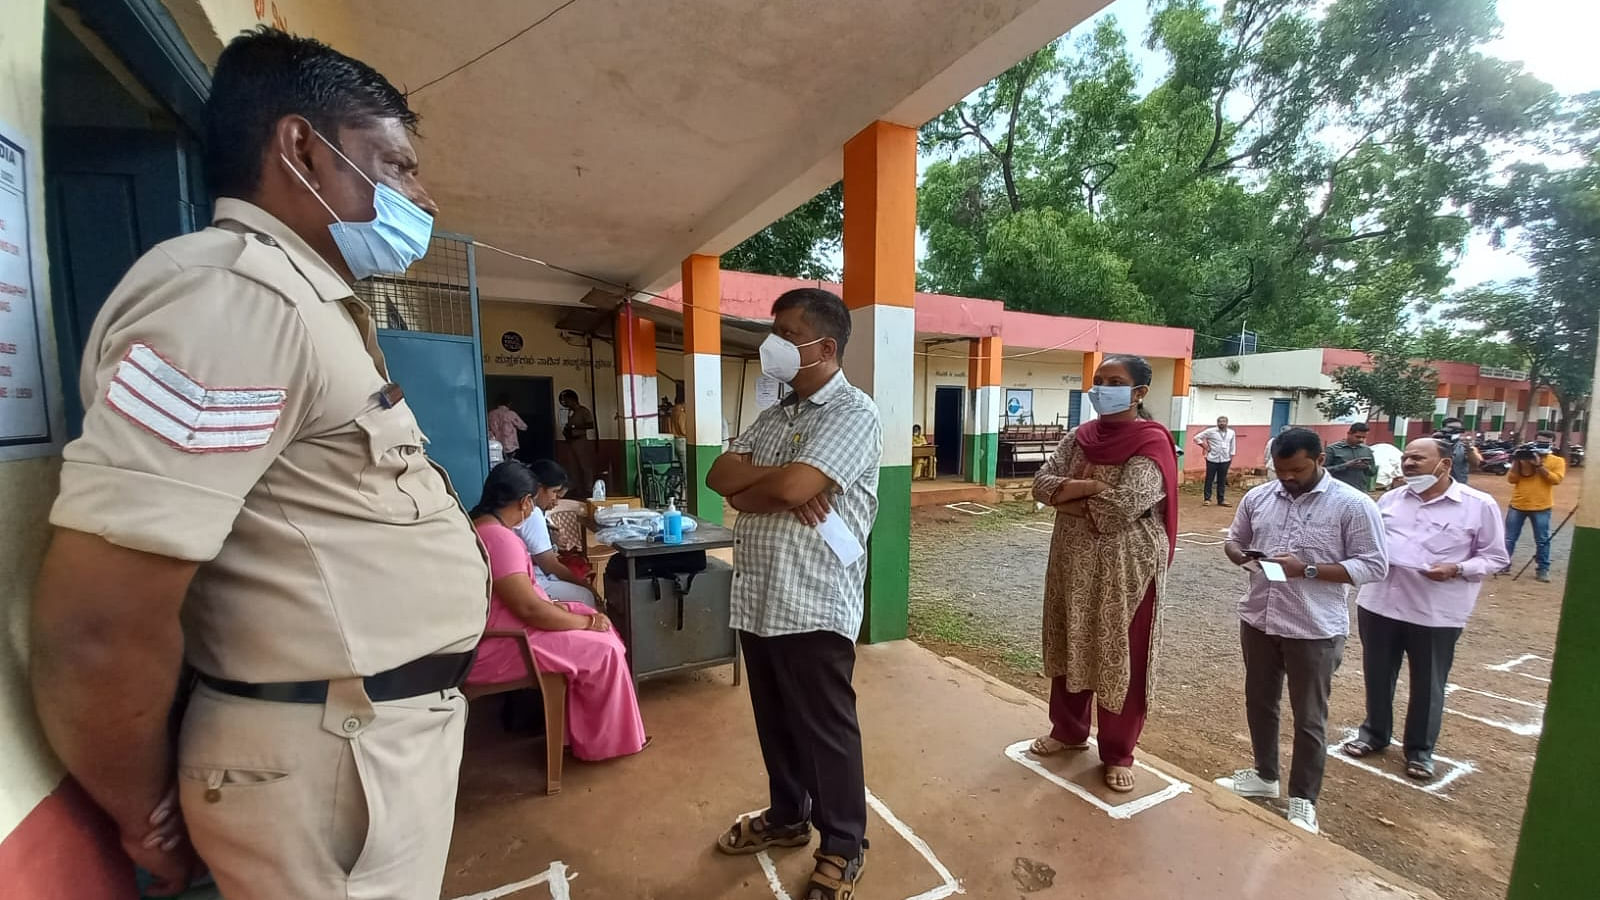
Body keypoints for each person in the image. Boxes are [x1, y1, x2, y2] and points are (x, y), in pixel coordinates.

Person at [29, 29, 489, 899]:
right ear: (301, 148)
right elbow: (99, 622)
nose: (420, 195)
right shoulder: (234, 297)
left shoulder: (303, 304)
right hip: (326, 755)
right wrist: (142, 808)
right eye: (394, 165)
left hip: (363, 743)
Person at [706, 288, 882, 900]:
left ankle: (844, 842)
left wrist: (775, 485)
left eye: (785, 332)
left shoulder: (853, 414)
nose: (771, 343)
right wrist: (772, 483)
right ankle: (787, 818)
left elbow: (790, 488)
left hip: (812, 598)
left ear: (825, 346)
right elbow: (721, 480)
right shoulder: (778, 414)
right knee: (775, 720)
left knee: (826, 728)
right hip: (760, 596)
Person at [1215, 428, 1387, 835]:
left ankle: (1304, 799)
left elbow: (1375, 565)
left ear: (1320, 459)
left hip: (1314, 629)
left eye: (1296, 470)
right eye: (1280, 470)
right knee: (1260, 702)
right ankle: (1264, 775)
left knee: (1309, 718)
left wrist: (1306, 569)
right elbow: (1233, 541)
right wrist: (1243, 556)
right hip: (1259, 619)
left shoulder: (1353, 505)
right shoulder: (1258, 497)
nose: (1287, 478)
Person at [1027, 355, 1178, 793]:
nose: (1103, 387)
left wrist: (1070, 494)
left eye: (1116, 381)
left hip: (1127, 571)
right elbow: (1040, 482)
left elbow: (1123, 506)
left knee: (1120, 654)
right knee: (1070, 638)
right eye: (1099, 380)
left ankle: (1118, 750)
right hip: (1072, 564)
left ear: (1139, 393)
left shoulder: (1151, 441)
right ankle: (1068, 730)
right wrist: (1090, 489)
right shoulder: (1080, 436)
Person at [1341, 438, 1509, 779]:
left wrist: (1457, 569)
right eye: (1405, 457)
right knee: (1377, 674)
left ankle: (1419, 750)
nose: (1408, 463)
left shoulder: (1478, 505)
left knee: (1428, 681)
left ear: (1445, 464)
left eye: (1418, 458)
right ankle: (1374, 734)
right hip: (1380, 603)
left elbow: (1495, 557)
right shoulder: (1390, 499)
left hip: (1435, 612)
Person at [468, 461, 647, 760]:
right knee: (603, 648)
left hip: (503, 630)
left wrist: (570, 612)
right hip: (508, 642)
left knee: (591, 621)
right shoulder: (500, 538)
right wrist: (585, 623)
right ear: (526, 502)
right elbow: (529, 609)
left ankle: (579, 733)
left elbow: (523, 600)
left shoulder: (484, 526)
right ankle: (604, 742)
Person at [514, 459, 599, 605]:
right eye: (554, 492)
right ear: (539, 488)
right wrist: (586, 587)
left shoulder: (531, 510)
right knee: (586, 597)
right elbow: (550, 565)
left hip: (526, 577)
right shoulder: (532, 513)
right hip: (529, 581)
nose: (555, 499)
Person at [1504, 429, 1567, 582]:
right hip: (1518, 504)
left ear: (1552, 443)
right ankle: (1503, 564)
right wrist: (1518, 463)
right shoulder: (1523, 458)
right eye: (1539, 442)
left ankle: (1543, 569)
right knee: (1509, 538)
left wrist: (1539, 466)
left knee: (1542, 539)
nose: (1541, 445)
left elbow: (1556, 480)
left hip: (1542, 506)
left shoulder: (1558, 461)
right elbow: (1511, 479)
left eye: (1545, 443)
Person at [560, 388, 598, 496]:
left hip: (581, 441)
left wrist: (575, 426)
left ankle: (588, 489)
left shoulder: (583, 411)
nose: (566, 403)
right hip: (571, 442)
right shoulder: (570, 413)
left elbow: (590, 425)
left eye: (567, 401)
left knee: (585, 466)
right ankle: (576, 488)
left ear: (573, 400)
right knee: (573, 467)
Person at [1192, 415, 1237, 507]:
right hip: (1212, 458)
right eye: (1220, 421)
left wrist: (1231, 455)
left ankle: (1221, 500)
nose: (1222, 423)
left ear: (1227, 423)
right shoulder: (1211, 431)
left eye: (1224, 421)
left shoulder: (1231, 432)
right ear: (1217, 423)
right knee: (1209, 478)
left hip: (1225, 458)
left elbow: (1233, 445)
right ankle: (1207, 499)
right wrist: (1205, 447)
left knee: (1222, 479)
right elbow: (1196, 438)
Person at [1325, 422, 1376, 492]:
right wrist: (1346, 465)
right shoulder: (1333, 449)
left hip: (1360, 492)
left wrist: (1366, 467)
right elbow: (1323, 470)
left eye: (1364, 437)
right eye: (1358, 437)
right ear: (1349, 434)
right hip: (1339, 491)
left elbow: (1373, 472)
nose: (1361, 440)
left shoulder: (1367, 450)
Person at [1438, 416, 1483, 483]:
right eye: (1451, 428)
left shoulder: (1464, 446)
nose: (1455, 431)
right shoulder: (1436, 444)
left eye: (1458, 429)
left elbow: (1476, 463)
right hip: (1438, 486)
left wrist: (1468, 449)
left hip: (1459, 485)